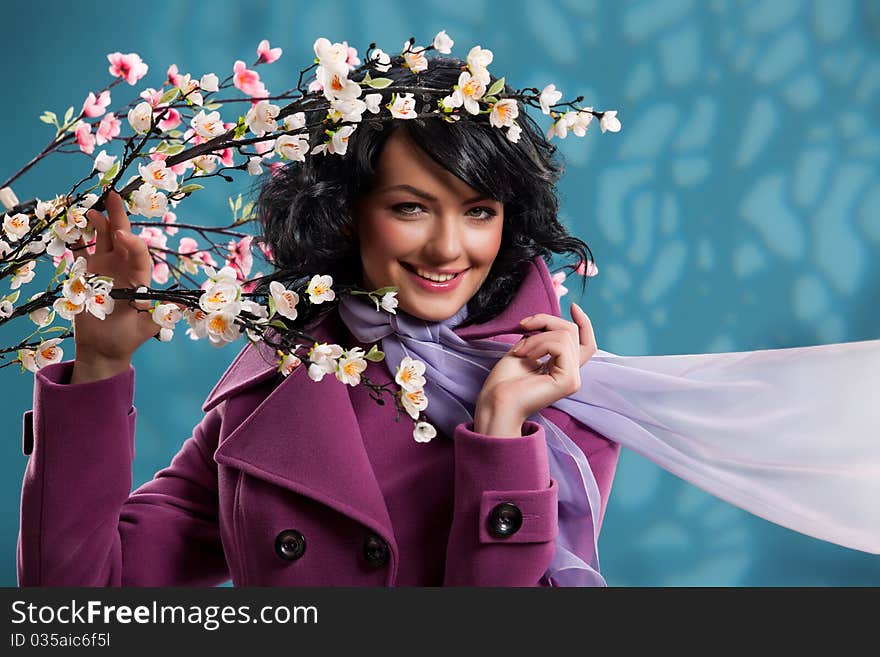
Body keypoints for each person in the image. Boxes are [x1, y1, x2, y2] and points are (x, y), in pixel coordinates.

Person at [17, 57, 621, 586]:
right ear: (344, 213)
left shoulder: (562, 402)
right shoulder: (274, 387)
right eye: (410, 207)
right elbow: (77, 603)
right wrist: (100, 365)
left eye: (478, 212)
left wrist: (500, 432)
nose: (446, 249)